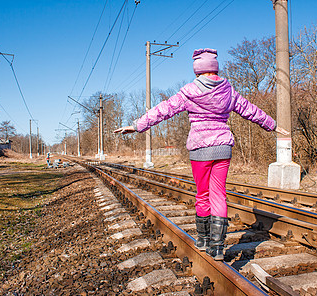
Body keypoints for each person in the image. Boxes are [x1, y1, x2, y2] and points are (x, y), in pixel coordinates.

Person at [114, 48, 289, 260]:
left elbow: (163, 110)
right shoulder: (228, 91)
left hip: (200, 149)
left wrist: (137, 126)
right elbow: (250, 110)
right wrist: (273, 125)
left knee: (202, 195)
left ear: (197, 70)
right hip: (223, 148)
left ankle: (204, 239)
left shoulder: (189, 91)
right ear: (215, 69)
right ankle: (217, 247)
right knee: (219, 194)